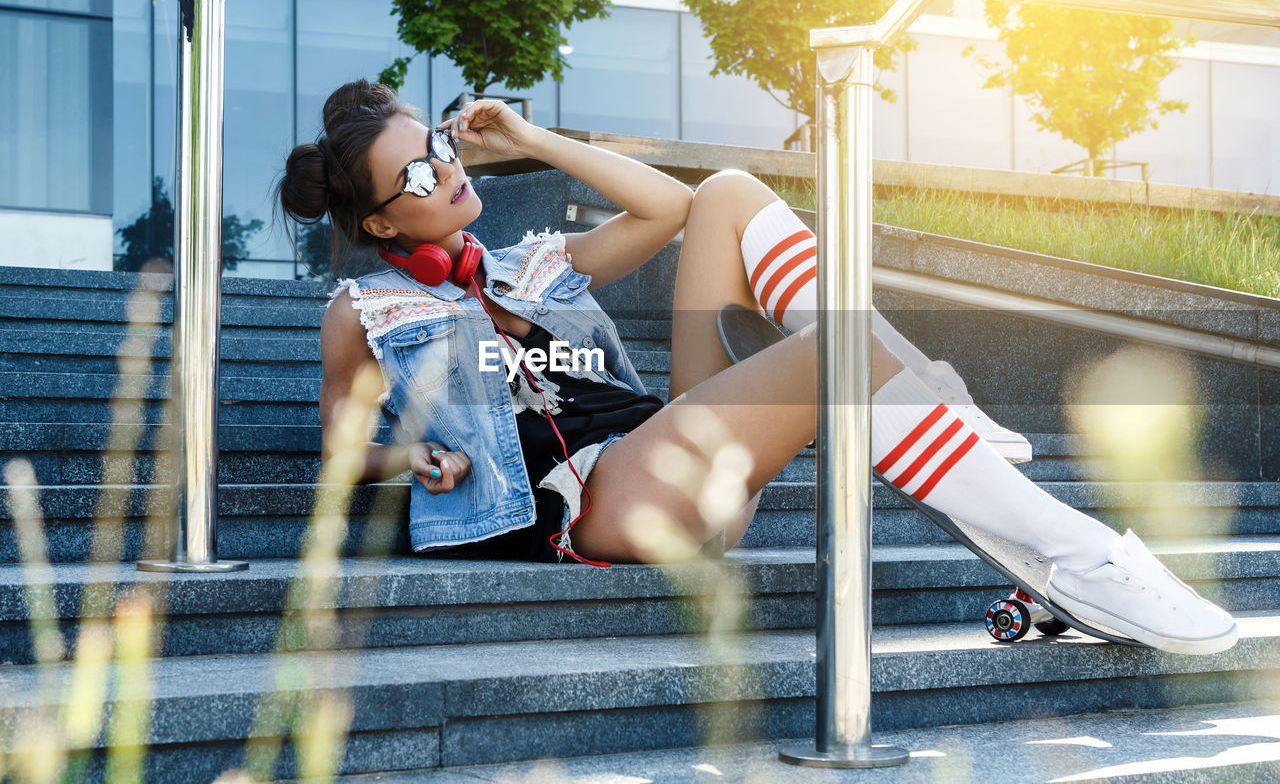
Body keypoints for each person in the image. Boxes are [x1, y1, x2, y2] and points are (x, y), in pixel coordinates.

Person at [277, 79, 1236, 655]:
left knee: (731, 192)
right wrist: (416, 464)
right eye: (415, 176)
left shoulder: (528, 263)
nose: (443, 171)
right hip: (593, 499)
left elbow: (666, 208)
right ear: (377, 222)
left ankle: (930, 410)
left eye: (438, 148)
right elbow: (340, 449)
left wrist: (527, 140)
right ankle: (1066, 545)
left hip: (659, 439)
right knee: (837, 355)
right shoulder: (365, 312)